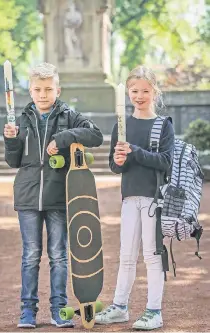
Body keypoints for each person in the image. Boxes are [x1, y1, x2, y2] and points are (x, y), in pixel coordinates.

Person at [3, 62, 103, 329]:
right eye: (37, 89)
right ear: (30, 90)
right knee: (31, 255)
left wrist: (64, 138)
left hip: (59, 197)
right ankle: (27, 311)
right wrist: (11, 140)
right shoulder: (22, 119)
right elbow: (13, 162)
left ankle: (59, 308)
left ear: (57, 90)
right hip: (27, 197)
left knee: (59, 255)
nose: (43, 94)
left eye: (48, 89)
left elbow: (96, 135)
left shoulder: (69, 115)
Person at [95, 65, 174, 330]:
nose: (139, 96)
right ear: (128, 93)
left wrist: (135, 151)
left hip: (153, 199)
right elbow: (115, 166)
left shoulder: (163, 125)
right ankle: (119, 307)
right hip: (129, 197)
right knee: (126, 256)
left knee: (152, 255)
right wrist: (119, 160)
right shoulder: (123, 125)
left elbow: (165, 162)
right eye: (134, 91)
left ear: (154, 92)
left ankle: (154, 311)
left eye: (145, 91)